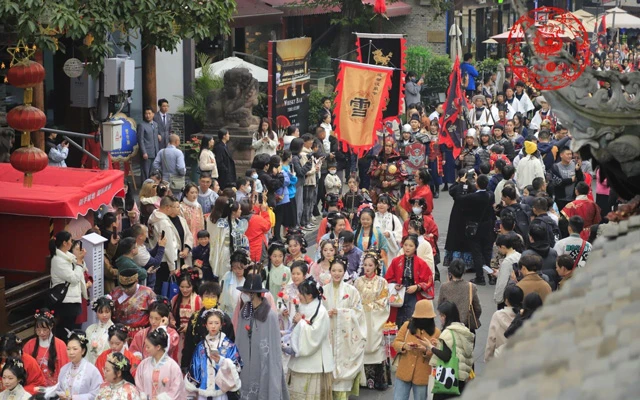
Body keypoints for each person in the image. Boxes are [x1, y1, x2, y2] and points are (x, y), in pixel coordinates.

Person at [234, 273, 288, 400]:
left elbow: (274, 349)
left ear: (253, 294)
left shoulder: (270, 315)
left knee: (263, 387)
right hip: (246, 364)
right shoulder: (244, 312)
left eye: (246, 292)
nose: (244, 295)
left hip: (262, 362)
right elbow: (240, 340)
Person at [322, 258, 366, 400]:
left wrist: (341, 313)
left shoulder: (351, 291)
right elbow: (318, 311)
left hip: (345, 336)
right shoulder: (322, 291)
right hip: (328, 333)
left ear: (344, 272)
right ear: (330, 271)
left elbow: (358, 312)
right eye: (334, 270)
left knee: (343, 366)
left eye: (340, 270)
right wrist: (325, 314)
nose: (336, 273)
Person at [287, 277, 335, 400]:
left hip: (315, 361)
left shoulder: (321, 312)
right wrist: (296, 323)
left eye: (301, 293)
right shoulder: (304, 306)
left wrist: (301, 323)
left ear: (309, 295)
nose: (299, 295)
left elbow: (316, 335)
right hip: (300, 360)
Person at [185, 309, 241, 400]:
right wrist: (192, 391)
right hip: (203, 390)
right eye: (210, 323)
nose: (213, 326)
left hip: (221, 390)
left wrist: (221, 361)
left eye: (216, 323)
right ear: (206, 325)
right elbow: (195, 367)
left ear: (221, 325)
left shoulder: (228, 345)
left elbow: (237, 366)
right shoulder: (200, 346)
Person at [353, 251, 390, 390]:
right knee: (361, 345)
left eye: (370, 265)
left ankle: (379, 381)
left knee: (376, 347)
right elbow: (354, 301)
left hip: (375, 319)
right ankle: (362, 380)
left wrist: (368, 307)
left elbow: (384, 302)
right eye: (365, 265)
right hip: (361, 318)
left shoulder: (382, 282)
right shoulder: (358, 282)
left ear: (376, 266)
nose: (367, 268)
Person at [181, 282, 235, 373]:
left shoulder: (225, 319)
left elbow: (230, 342)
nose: (210, 299)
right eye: (206, 296)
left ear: (218, 298)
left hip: (218, 365)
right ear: (201, 297)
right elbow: (188, 343)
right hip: (197, 363)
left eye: (213, 296)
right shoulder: (195, 318)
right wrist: (185, 364)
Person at [392, 299, 440, 400]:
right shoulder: (407, 326)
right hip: (404, 371)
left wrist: (425, 350)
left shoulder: (436, 333)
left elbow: (437, 355)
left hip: (422, 375)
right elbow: (396, 343)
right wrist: (404, 346)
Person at [453, 174, 495, 286]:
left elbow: (459, 198)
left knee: (477, 253)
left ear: (476, 184)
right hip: (487, 227)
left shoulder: (473, 197)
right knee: (487, 253)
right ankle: (491, 275)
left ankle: (480, 277)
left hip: (474, 228)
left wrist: (461, 183)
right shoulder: (490, 195)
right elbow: (488, 190)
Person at [427, 301, 475, 399]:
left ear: (445, 316)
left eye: (441, 315)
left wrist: (431, 347)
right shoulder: (463, 329)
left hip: (448, 379)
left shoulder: (448, 332)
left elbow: (446, 356)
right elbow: (457, 348)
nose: (440, 318)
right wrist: (439, 344)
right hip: (461, 377)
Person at [385, 235, 434, 328]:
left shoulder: (421, 263)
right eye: (405, 245)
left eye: (411, 246)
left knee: (412, 319)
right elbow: (388, 277)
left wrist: (417, 287)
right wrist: (395, 284)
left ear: (415, 247)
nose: (407, 248)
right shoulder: (396, 261)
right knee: (398, 320)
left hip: (414, 295)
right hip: (399, 293)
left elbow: (428, 280)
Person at [149, 195, 194, 292]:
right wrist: (172, 267)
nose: (179, 209)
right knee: (166, 289)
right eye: (177, 207)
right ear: (168, 207)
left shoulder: (154, 216)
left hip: (163, 258)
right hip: (166, 261)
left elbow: (188, 235)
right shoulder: (163, 222)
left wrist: (186, 248)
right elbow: (168, 246)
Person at [49, 231, 88, 338]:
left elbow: (82, 268)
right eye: (70, 241)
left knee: (70, 328)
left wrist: (80, 260)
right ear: (65, 243)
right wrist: (79, 262)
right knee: (66, 329)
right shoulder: (57, 260)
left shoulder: (68, 255)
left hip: (72, 298)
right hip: (66, 301)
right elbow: (75, 278)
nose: (72, 243)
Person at [45, 330, 103, 399]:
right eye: (68, 349)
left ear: (83, 350)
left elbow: (96, 394)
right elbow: (59, 389)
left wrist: (73, 398)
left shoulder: (92, 371)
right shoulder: (64, 369)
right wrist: (61, 394)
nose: (71, 352)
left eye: (75, 349)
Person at [135, 328, 186, 399]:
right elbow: (139, 384)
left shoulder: (173, 366)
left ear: (158, 347)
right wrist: (142, 396)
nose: (145, 350)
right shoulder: (143, 364)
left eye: (148, 347)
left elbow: (176, 388)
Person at [23, 310, 68, 387]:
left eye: (45, 329)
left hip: (55, 387)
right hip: (35, 387)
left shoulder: (61, 345)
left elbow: (66, 369)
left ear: (51, 326)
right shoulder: (29, 345)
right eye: (38, 330)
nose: (41, 333)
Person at [110, 269, 157, 341]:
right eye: (123, 286)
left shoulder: (147, 292)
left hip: (141, 334)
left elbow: (156, 312)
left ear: (136, 281)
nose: (126, 290)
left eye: (129, 286)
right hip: (120, 335)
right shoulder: (115, 292)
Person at [129, 297, 180, 363]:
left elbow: (166, 348)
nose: (153, 321)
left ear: (165, 318)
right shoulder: (141, 334)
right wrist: (138, 356)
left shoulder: (173, 334)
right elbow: (133, 350)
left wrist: (162, 328)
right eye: (151, 318)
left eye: (157, 318)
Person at [437, 259, 482, 333]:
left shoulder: (444, 287)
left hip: (449, 326)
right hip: (466, 326)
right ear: (464, 271)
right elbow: (477, 308)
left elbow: (440, 306)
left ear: (450, 272)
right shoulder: (471, 287)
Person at [484, 285, 523, 362]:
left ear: (506, 300)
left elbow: (491, 340)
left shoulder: (498, 315)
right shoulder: (524, 315)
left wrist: (488, 358)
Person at [170, 268, 202, 360]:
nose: (184, 290)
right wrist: (171, 322)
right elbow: (171, 315)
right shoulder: (175, 299)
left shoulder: (198, 300)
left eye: (188, 287)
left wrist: (189, 327)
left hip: (192, 338)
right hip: (177, 336)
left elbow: (201, 320)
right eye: (182, 287)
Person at [354, 206, 391, 274]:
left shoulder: (378, 233)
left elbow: (384, 247)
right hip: (359, 263)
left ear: (372, 220)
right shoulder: (355, 233)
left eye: (368, 219)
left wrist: (377, 254)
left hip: (373, 264)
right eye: (363, 219)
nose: (365, 221)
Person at [491, 232, 522, 309]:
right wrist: (499, 273)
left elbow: (502, 283)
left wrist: (498, 299)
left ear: (503, 247)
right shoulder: (519, 255)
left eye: (499, 247)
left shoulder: (507, 261)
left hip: (506, 298)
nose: (498, 250)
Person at [131, 224, 166, 288]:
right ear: (140, 236)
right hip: (145, 284)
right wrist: (162, 247)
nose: (147, 235)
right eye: (145, 232)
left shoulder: (140, 245)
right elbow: (155, 263)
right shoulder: (138, 252)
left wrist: (158, 245)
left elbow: (150, 253)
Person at [241, 197, 271, 263]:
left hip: (243, 250)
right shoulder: (256, 219)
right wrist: (264, 211)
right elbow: (267, 226)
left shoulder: (237, 219)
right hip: (257, 250)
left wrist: (257, 208)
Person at [85, 297, 115, 364]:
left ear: (111, 312)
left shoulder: (115, 330)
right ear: (96, 313)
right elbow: (86, 352)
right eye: (101, 312)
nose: (104, 315)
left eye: (107, 312)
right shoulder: (90, 329)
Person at [219, 250, 249, 315]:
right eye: (235, 268)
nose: (237, 271)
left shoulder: (249, 277)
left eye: (240, 268)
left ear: (245, 266)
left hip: (244, 313)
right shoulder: (228, 276)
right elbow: (221, 295)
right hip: (229, 313)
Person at [137, 106, 160, 181]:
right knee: (145, 172)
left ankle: (152, 187)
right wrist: (144, 152)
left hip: (155, 152)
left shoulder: (155, 124)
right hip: (146, 152)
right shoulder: (142, 125)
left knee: (153, 172)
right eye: (146, 114)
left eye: (149, 113)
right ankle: (145, 188)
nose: (148, 115)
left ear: (153, 114)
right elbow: (140, 140)